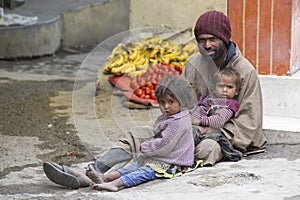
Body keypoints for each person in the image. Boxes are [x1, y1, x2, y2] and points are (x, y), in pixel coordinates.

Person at [43, 10, 267, 189]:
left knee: (205, 149)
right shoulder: (194, 64)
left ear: (225, 39)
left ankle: (119, 176)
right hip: (188, 127)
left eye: (212, 39)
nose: (206, 45)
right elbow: (179, 101)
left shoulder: (245, 71)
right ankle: (93, 170)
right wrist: (173, 125)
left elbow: (250, 123)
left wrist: (210, 131)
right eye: (202, 40)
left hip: (222, 139)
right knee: (140, 137)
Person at [84, 75, 201, 192]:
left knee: (144, 171)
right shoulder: (173, 116)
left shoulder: (177, 123)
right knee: (136, 165)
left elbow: (164, 145)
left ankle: (116, 184)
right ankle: (106, 177)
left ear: (182, 101)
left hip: (175, 163)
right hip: (168, 157)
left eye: (171, 102)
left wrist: (146, 146)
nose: (166, 106)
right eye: (162, 102)